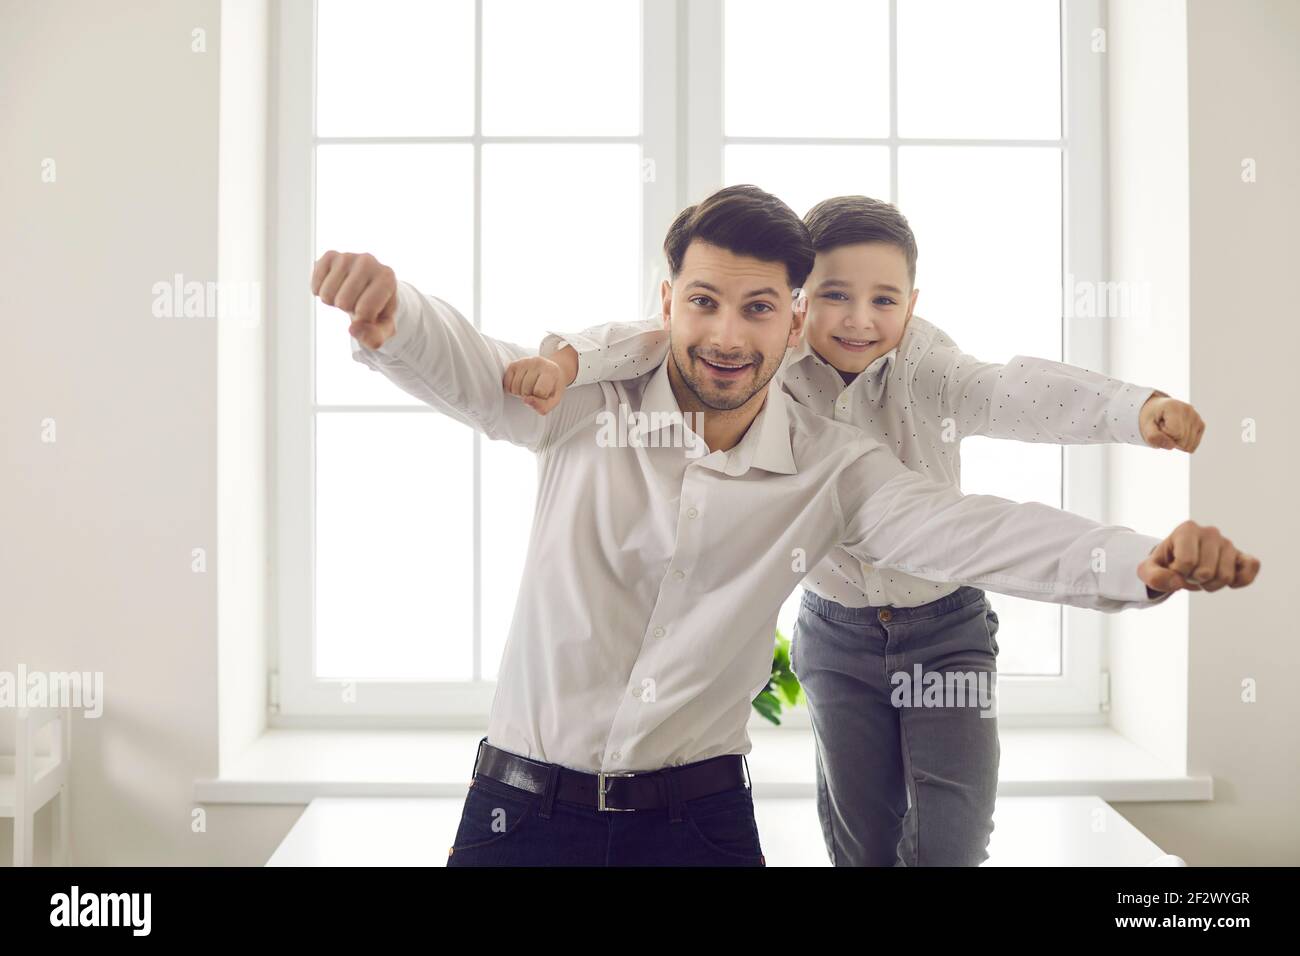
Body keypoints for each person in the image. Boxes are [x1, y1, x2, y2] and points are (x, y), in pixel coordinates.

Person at [313, 185, 1258, 867]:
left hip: (699, 824)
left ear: (791, 320)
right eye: (704, 303)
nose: (728, 336)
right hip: (517, 809)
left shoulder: (831, 465)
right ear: (666, 303)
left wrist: (1142, 559)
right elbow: (479, 372)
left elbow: (971, 530)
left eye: (758, 308)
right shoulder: (583, 404)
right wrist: (394, 317)